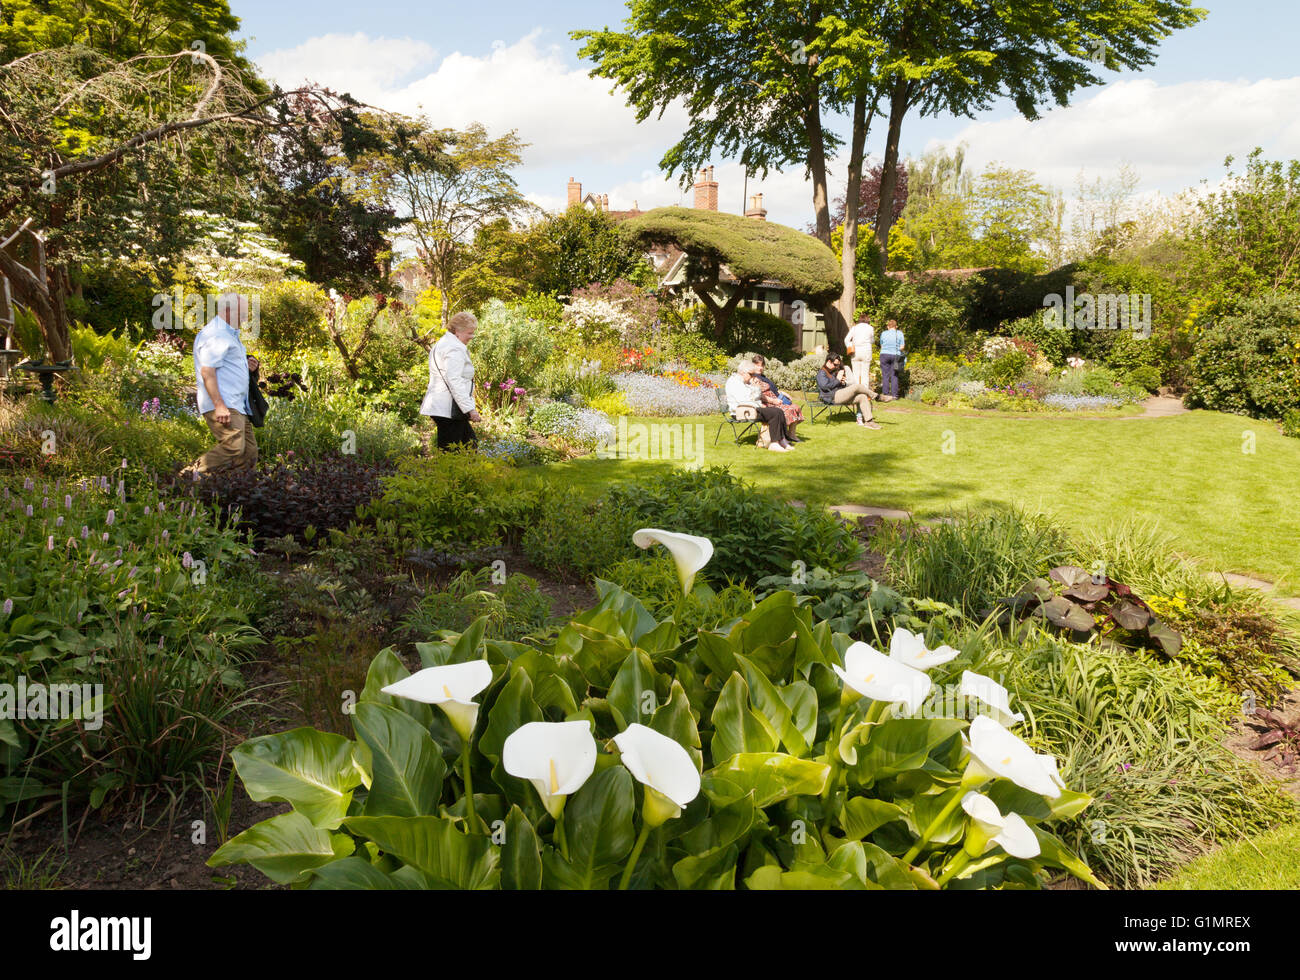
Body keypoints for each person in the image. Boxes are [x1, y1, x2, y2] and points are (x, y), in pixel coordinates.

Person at [187, 294, 260, 476]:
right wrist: (219, 405)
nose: (245, 318)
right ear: (228, 311)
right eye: (242, 313)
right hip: (224, 404)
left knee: (249, 453)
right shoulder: (215, 334)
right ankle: (186, 477)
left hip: (237, 405)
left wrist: (248, 368)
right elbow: (207, 371)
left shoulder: (229, 334)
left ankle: (232, 491)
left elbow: (225, 367)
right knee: (233, 447)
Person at [422, 311, 482, 449]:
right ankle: (454, 470)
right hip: (449, 409)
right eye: (469, 333)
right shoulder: (454, 348)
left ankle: (466, 470)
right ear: (457, 332)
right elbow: (454, 381)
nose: (472, 336)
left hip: (444, 407)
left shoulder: (443, 343)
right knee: (456, 451)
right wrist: (470, 410)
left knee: (468, 446)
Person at [726, 360, 791, 451]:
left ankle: (781, 440)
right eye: (751, 374)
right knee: (775, 413)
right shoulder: (735, 382)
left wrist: (755, 387)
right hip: (741, 411)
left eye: (753, 374)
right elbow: (744, 401)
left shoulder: (745, 382)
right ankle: (774, 443)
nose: (753, 377)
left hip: (750, 409)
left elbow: (755, 397)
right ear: (743, 372)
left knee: (778, 411)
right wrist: (760, 405)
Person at [816, 353, 881, 430]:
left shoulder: (832, 371)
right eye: (835, 364)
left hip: (838, 395)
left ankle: (869, 422)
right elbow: (825, 386)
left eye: (837, 365)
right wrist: (837, 380)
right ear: (829, 361)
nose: (836, 367)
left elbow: (836, 385)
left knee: (862, 397)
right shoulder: (821, 373)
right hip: (831, 397)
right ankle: (876, 396)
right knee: (857, 386)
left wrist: (842, 383)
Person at [750, 354, 804, 442]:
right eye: (757, 365)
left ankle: (791, 434)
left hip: (776, 399)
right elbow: (758, 394)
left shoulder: (764, 377)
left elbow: (774, 389)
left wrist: (784, 393)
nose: (760, 368)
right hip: (766, 403)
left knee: (795, 407)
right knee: (788, 410)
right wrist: (773, 401)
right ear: (752, 365)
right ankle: (781, 435)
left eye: (762, 365)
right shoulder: (753, 378)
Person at [879, 318, 906, 401]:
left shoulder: (883, 333)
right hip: (895, 355)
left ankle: (886, 394)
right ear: (896, 326)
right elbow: (902, 347)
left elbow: (882, 345)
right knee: (894, 375)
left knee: (885, 375)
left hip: (884, 355)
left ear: (888, 327)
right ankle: (894, 395)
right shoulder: (900, 333)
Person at [845, 316, 874, 389]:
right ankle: (865, 393)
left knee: (855, 374)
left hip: (856, 352)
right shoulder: (870, 328)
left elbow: (846, 340)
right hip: (866, 352)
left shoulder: (854, 328)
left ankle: (856, 392)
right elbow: (872, 340)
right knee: (865, 374)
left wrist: (850, 346)